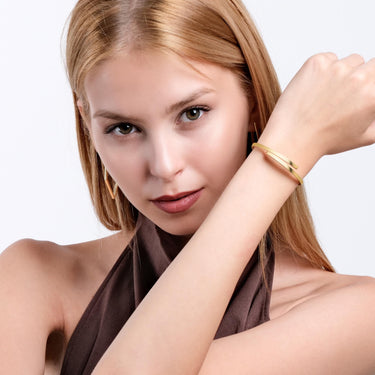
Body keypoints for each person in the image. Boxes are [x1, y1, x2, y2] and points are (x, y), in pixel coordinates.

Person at [1, 0, 375, 373]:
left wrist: (284, 152)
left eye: (192, 113)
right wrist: (285, 152)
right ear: (88, 123)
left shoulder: (357, 316)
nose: (164, 166)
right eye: (124, 128)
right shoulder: (31, 279)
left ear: (255, 102)